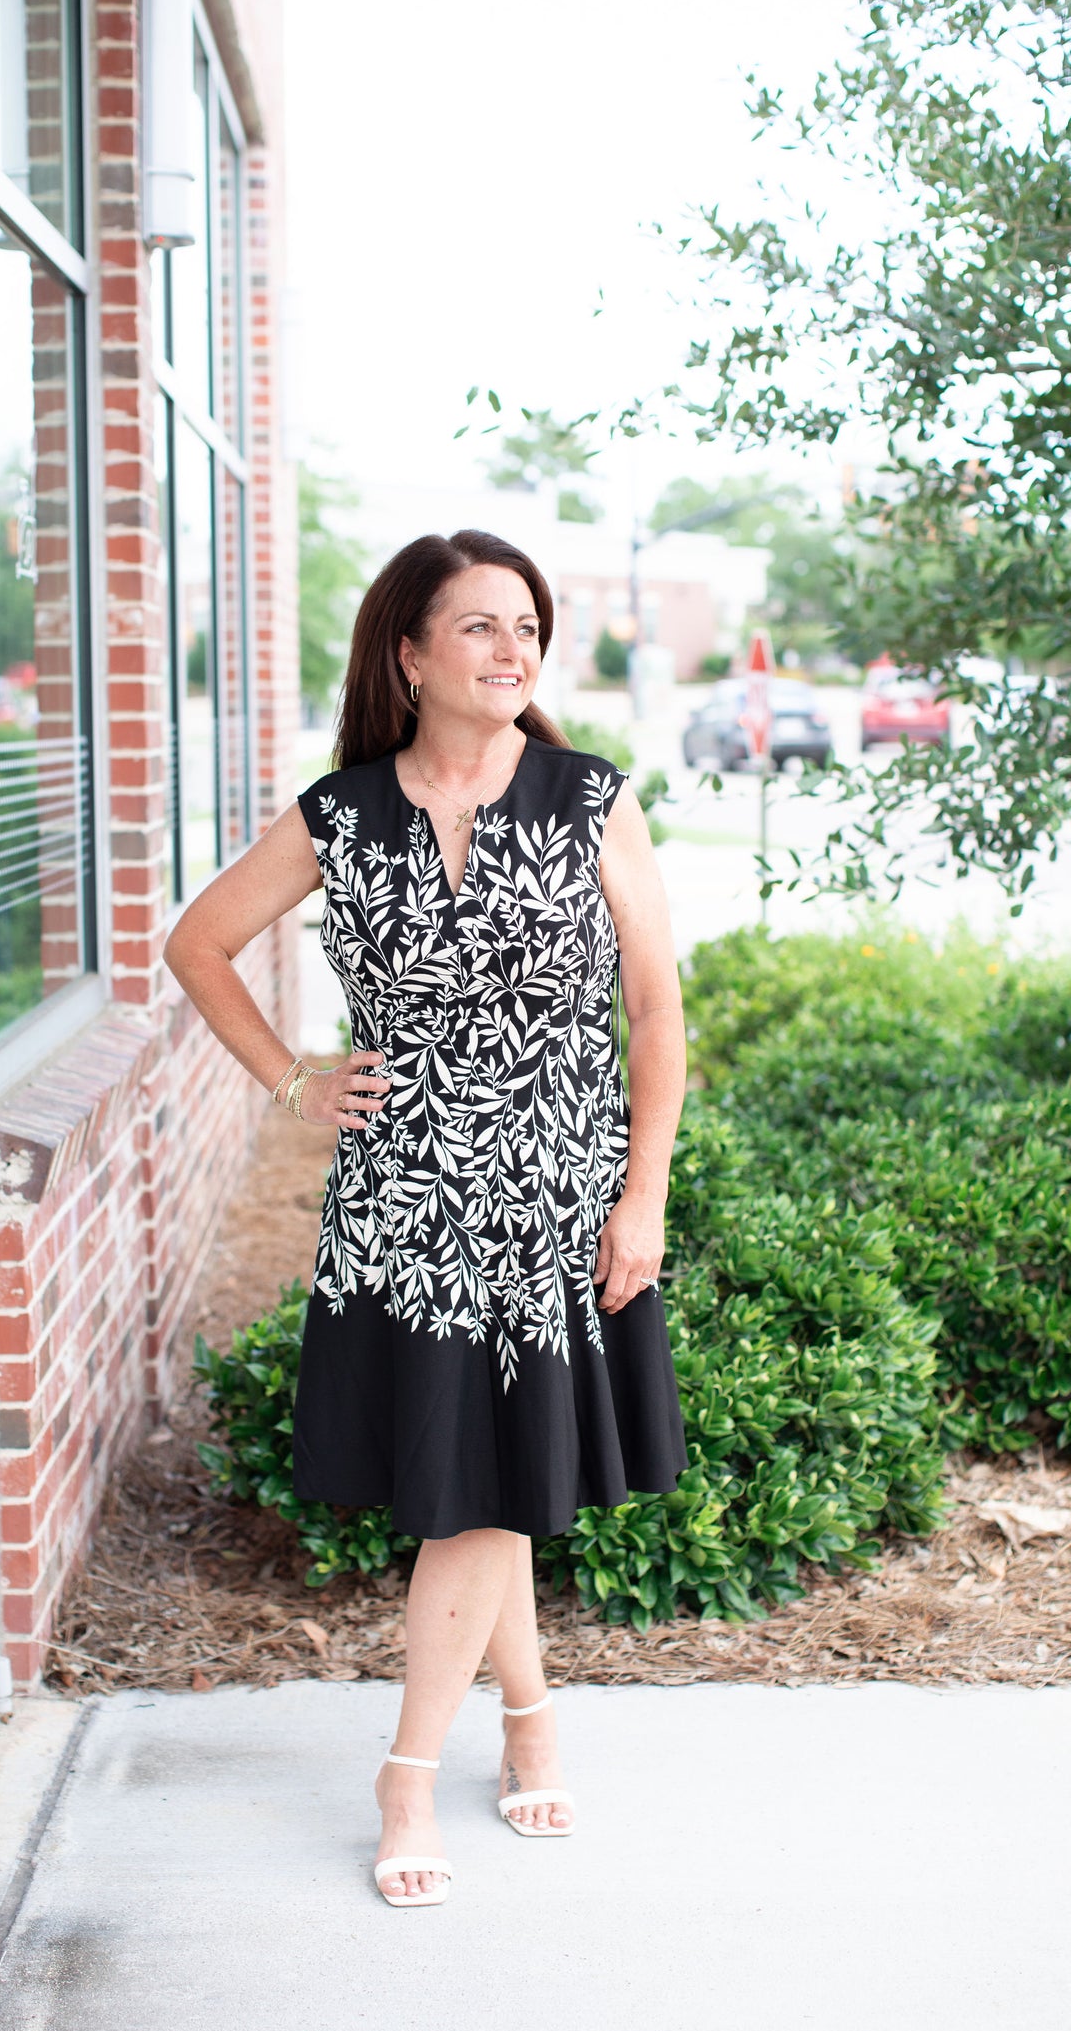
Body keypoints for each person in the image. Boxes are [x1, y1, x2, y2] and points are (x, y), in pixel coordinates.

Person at [165, 528, 687, 1908]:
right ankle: (524, 1726)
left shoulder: (587, 799)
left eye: (525, 625)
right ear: (408, 653)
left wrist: (641, 1199)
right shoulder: (341, 814)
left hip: (555, 1208)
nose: (511, 648)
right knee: (478, 1485)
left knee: (476, 1498)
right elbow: (196, 943)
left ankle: (409, 1771)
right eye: (478, 627)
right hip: (403, 1209)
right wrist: (291, 1076)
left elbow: (652, 1008)